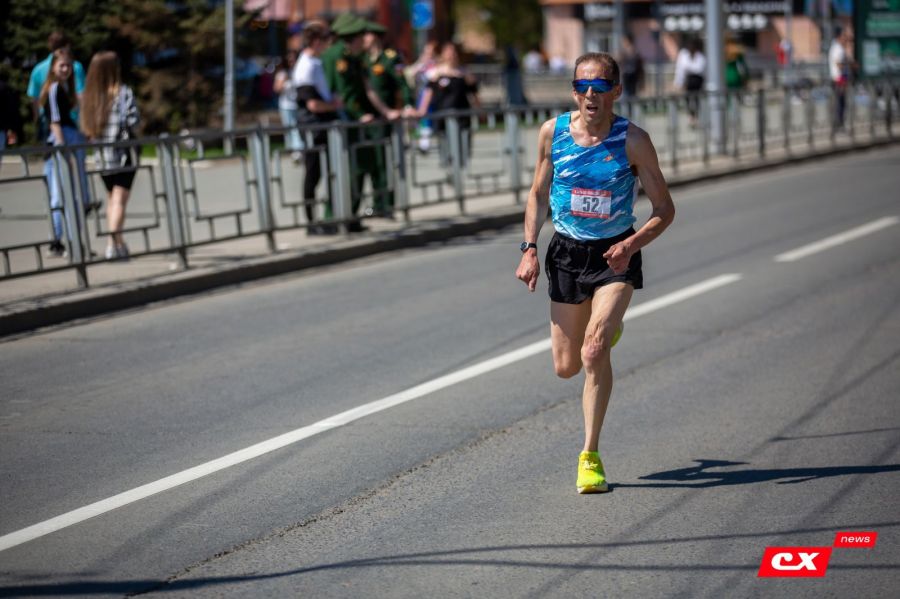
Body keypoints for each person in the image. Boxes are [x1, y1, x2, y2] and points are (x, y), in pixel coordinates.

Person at [514, 52, 675, 494]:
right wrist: (529, 248)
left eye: (600, 87)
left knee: (594, 350)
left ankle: (590, 456)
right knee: (566, 367)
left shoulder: (633, 140)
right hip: (566, 253)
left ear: (616, 92)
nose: (590, 95)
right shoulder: (553, 133)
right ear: (573, 91)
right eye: (582, 87)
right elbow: (537, 195)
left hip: (614, 256)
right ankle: (601, 335)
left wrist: (631, 243)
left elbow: (664, 209)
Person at [321, 13, 401, 232]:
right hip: (343, 121)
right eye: (360, 36)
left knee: (362, 166)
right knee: (343, 170)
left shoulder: (354, 57)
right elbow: (343, 94)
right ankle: (334, 217)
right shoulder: (337, 56)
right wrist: (359, 116)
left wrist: (385, 111)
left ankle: (351, 215)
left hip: (359, 123)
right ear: (351, 38)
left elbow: (368, 89)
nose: (364, 40)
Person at [80, 51, 140, 260]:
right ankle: (113, 244)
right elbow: (133, 121)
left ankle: (116, 242)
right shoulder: (122, 93)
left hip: (101, 157)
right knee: (119, 201)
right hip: (123, 154)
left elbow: (86, 128)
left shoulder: (90, 97)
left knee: (111, 200)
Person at [293, 20, 343, 235]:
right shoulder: (305, 67)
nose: (327, 44)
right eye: (324, 40)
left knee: (326, 172)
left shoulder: (315, 62)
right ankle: (311, 222)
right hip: (313, 125)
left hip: (322, 124)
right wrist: (332, 105)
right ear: (315, 41)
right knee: (313, 173)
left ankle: (328, 218)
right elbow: (311, 103)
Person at [41, 47, 92, 258]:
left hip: (72, 137)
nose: (65, 69)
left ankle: (75, 241)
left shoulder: (65, 87)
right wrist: (65, 150)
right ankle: (60, 239)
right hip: (62, 143)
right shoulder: (53, 89)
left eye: (68, 65)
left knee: (77, 193)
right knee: (61, 194)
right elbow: (54, 121)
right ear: (53, 67)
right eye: (61, 65)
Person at [363, 21, 415, 216]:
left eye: (366, 35)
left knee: (384, 161)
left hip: (385, 118)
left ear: (374, 37)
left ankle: (386, 204)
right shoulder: (364, 59)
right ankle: (377, 202)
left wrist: (408, 105)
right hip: (369, 118)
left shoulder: (389, 58)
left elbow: (402, 83)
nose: (363, 39)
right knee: (372, 163)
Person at [415, 42, 480, 166]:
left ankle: (459, 171)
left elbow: (474, 93)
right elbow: (428, 93)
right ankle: (449, 168)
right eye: (448, 52)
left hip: (462, 116)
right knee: (446, 144)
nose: (451, 55)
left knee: (462, 145)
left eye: (454, 52)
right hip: (443, 116)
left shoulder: (464, 73)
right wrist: (422, 110)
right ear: (443, 54)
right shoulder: (436, 74)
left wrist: (479, 110)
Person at [27, 31, 87, 142]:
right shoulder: (75, 66)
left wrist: (37, 120)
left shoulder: (37, 69)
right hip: (69, 121)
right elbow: (81, 95)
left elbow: (34, 99)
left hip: (46, 121)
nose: (65, 69)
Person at [274, 49, 303, 164]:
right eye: (289, 60)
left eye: (293, 59)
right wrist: (284, 81)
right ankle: (294, 150)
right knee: (289, 128)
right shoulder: (282, 73)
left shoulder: (299, 71)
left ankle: (299, 150)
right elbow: (276, 89)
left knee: (297, 128)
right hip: (286, 105)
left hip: (297, 105)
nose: (291, 62)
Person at [674, 37, 705, 126]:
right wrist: (678, 82)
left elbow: (699, 68)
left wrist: (689, 69)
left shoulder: (700, 56)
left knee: (696, 99)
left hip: (698, 81)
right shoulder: (684, 55)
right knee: (688, 99)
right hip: (689, 81)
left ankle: (696, 116)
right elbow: (681, 70)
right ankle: (691, 116)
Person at [828, 26, 853, 131]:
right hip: (839, 79)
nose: (846, 38)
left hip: (839, 78)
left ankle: (839, 124)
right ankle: (839, 125)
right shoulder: (838, 48)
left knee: (840, 102)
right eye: (844, 36)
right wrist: (848, 64)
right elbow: (838, 64)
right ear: (839, 37)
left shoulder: (838, 47)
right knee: (840, 103)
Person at [618, 35, 644, 99]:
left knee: (629, 97)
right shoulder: (625, 53)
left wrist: (642, 81)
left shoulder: (632, 53)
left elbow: (640, 68)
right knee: (628, 96)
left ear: (628, 41)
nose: (623, 43)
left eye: (624, 41)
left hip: (631, 78)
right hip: (627, 78)